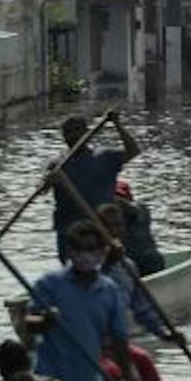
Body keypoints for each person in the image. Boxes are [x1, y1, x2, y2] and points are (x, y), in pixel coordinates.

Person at [23, 220, 136, 381]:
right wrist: (45, 321)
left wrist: (127, 378)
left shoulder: (109, 290)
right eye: (79, 249)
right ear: (70, 252)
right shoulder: (50, 284)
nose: (85, 256)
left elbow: (119, 340)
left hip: (86, 379)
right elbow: (27, 323)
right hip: (50, 380)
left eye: (91, 249)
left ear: (102, 253)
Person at [50, 113, 139, 260]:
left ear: (87, 133)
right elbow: (42, 188)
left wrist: (117, 125)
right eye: (68, 132)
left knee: (108, 266)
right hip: (69, 230)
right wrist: (51, 179)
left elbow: (133, 151)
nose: (73, 135)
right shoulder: (57, 164)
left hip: (102, 229)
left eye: (77, 130)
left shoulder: (105, 156)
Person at [95, 202, 172, 339]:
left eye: (118, 225)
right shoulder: (85, 261)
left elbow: (142, 309)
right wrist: (107, 263)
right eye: (107, 226)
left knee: (143, 360)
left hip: (116, 339)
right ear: (97, 229)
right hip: (89, 336)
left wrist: (164, 334)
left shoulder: (128, 266)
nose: (113, 231)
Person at [112, 179, 165, 275]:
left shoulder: (141, 212)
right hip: (127, 265)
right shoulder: (109, 218)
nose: (118, 201)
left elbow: (134, 211)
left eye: (121, 197)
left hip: (149, 263)